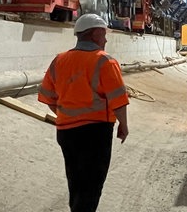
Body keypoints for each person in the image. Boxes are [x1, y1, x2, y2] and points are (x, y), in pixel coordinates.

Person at [38, 13, 129, 212]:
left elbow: (48, 96)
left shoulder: (59, 60)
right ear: (95, 34)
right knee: (92, 184)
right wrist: (123, 124)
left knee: (76, 181)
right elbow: (118, 100)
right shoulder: (105, 62)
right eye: (104, 34)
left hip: (65, 132)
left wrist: (67, 114)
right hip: (95, 133)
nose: (105, 39)